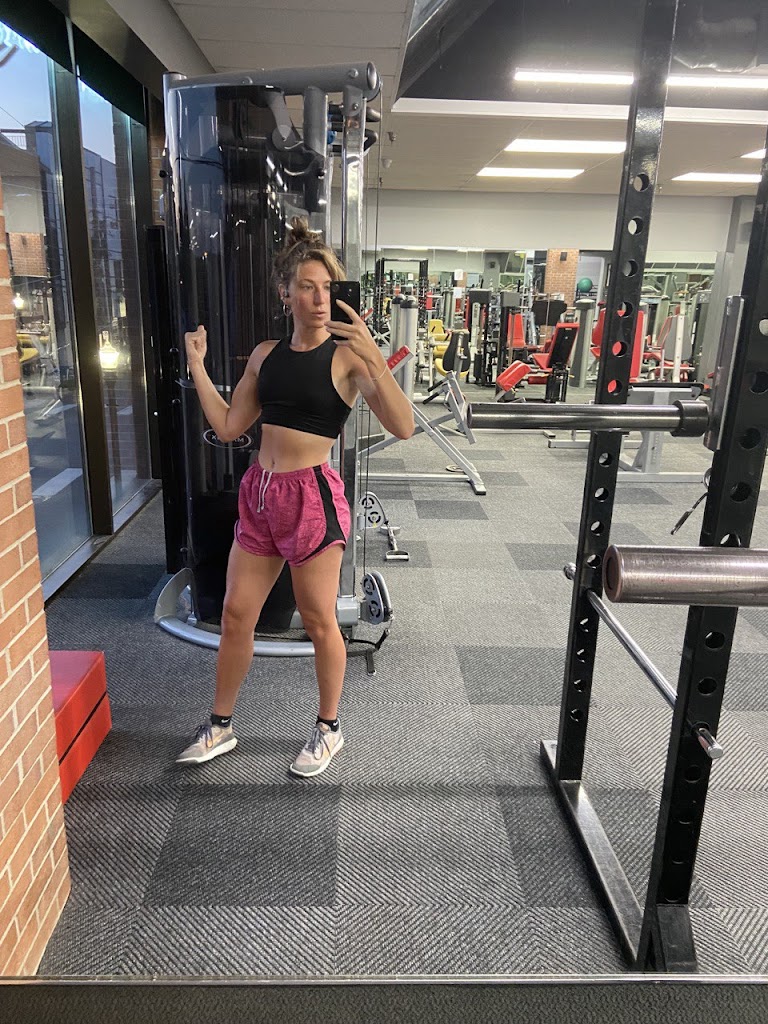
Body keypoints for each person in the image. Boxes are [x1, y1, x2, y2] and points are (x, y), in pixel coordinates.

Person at [176, 218, 415, 777]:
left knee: (318, 619)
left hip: (312, 497)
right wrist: (197, 367)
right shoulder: (265, 355)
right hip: (260, 495)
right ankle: (220, 724)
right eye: (307, 286)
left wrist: (373, 355)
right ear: (285, 292)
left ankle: (329, 728)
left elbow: (403, 426)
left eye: (327, 287)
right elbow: (230, 426)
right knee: (237, 613)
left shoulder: (349, 358)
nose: (320, 298)